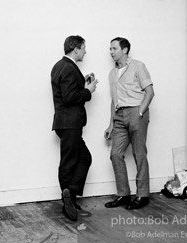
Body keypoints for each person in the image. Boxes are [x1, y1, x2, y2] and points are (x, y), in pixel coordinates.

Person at [51, 35, 98, 221]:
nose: (85, 52)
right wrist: (88, 91)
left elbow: (67, 92)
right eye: (84, 48)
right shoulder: (69, 68)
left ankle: (69, 196)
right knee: (69, 161)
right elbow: (70, 98)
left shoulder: (60, 66)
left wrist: (82, 83)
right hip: (70, 123)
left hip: (66, 122)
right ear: (76, 48)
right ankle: (67, 198)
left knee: (83, 158)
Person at [104, 37, 154, 210]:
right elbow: (114, 100)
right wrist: (111, 124)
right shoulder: (112, 73)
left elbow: (150, 91)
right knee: (115, 154)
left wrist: (140, 112)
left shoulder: (138, 66)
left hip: (136, 112)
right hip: (119, 115)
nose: (110, 51)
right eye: (110, 49)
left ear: (124, 50)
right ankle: (123, 194)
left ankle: (142, 195)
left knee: (139, 154)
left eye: (114, 48)